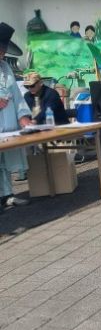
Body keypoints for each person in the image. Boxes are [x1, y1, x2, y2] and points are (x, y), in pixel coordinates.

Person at [0, 22, 32, 210]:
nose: (2, 54)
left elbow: (17, 95)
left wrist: (23, 116)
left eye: (3, 50)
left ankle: (7, 196)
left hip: (9, 124)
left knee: (4, 162)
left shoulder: (6, 67)